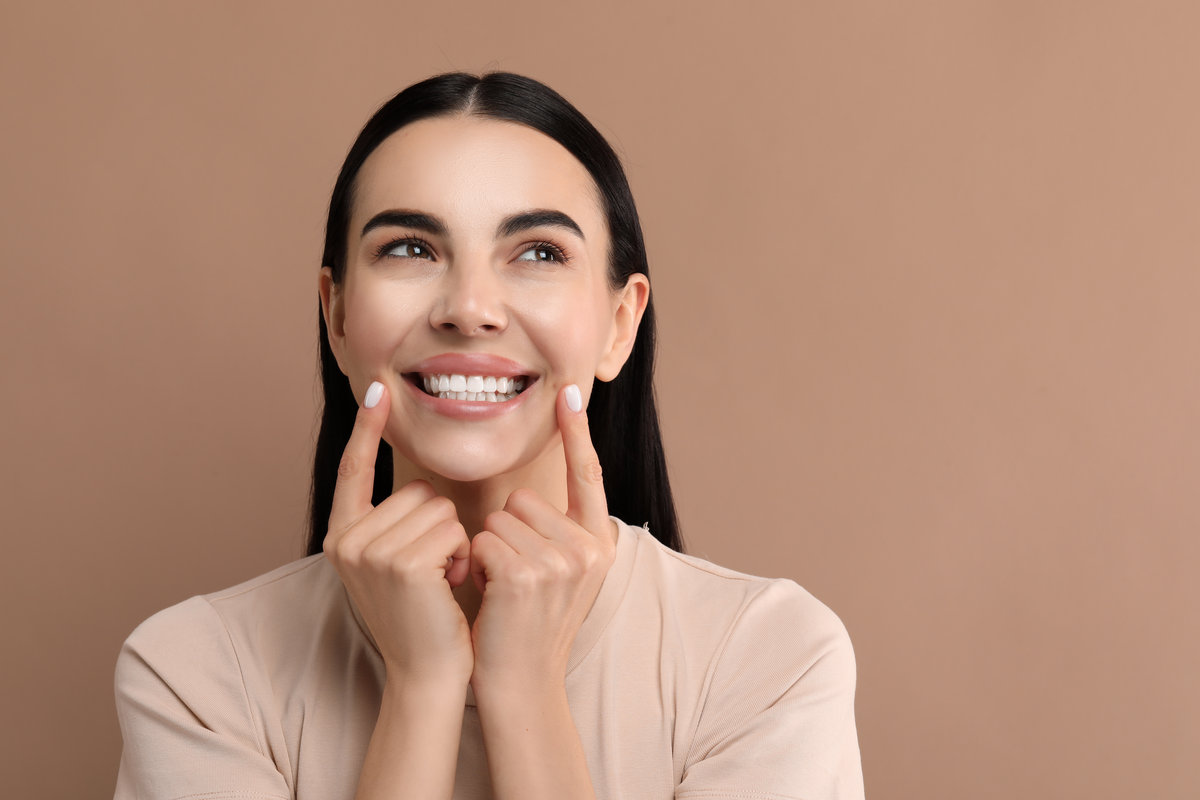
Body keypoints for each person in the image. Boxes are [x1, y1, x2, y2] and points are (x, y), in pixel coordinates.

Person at [112, 72, 865, 800]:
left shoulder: (771, 660)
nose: (469, 308)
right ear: (337, 318)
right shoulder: (196, 672)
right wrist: (422, 686)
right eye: (409, 247)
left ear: (619, 325)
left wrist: (523, 688)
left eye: (538, 252)